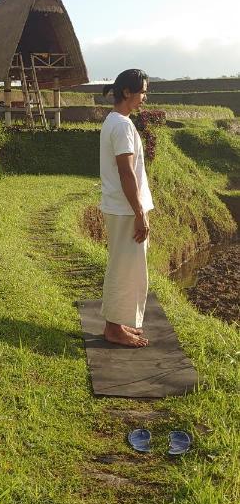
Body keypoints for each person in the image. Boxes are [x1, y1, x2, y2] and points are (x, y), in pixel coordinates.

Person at [99, 69, 154, 348]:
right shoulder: (121, 125)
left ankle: (117, 324)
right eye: (142, 91)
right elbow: (126, 172)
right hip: (126, 210)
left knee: (125, 267)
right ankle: (113, 328)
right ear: (126, 93)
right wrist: (139, 212)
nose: (145, 96)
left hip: (123, 208)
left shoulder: (117, 122)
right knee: (124, 268)